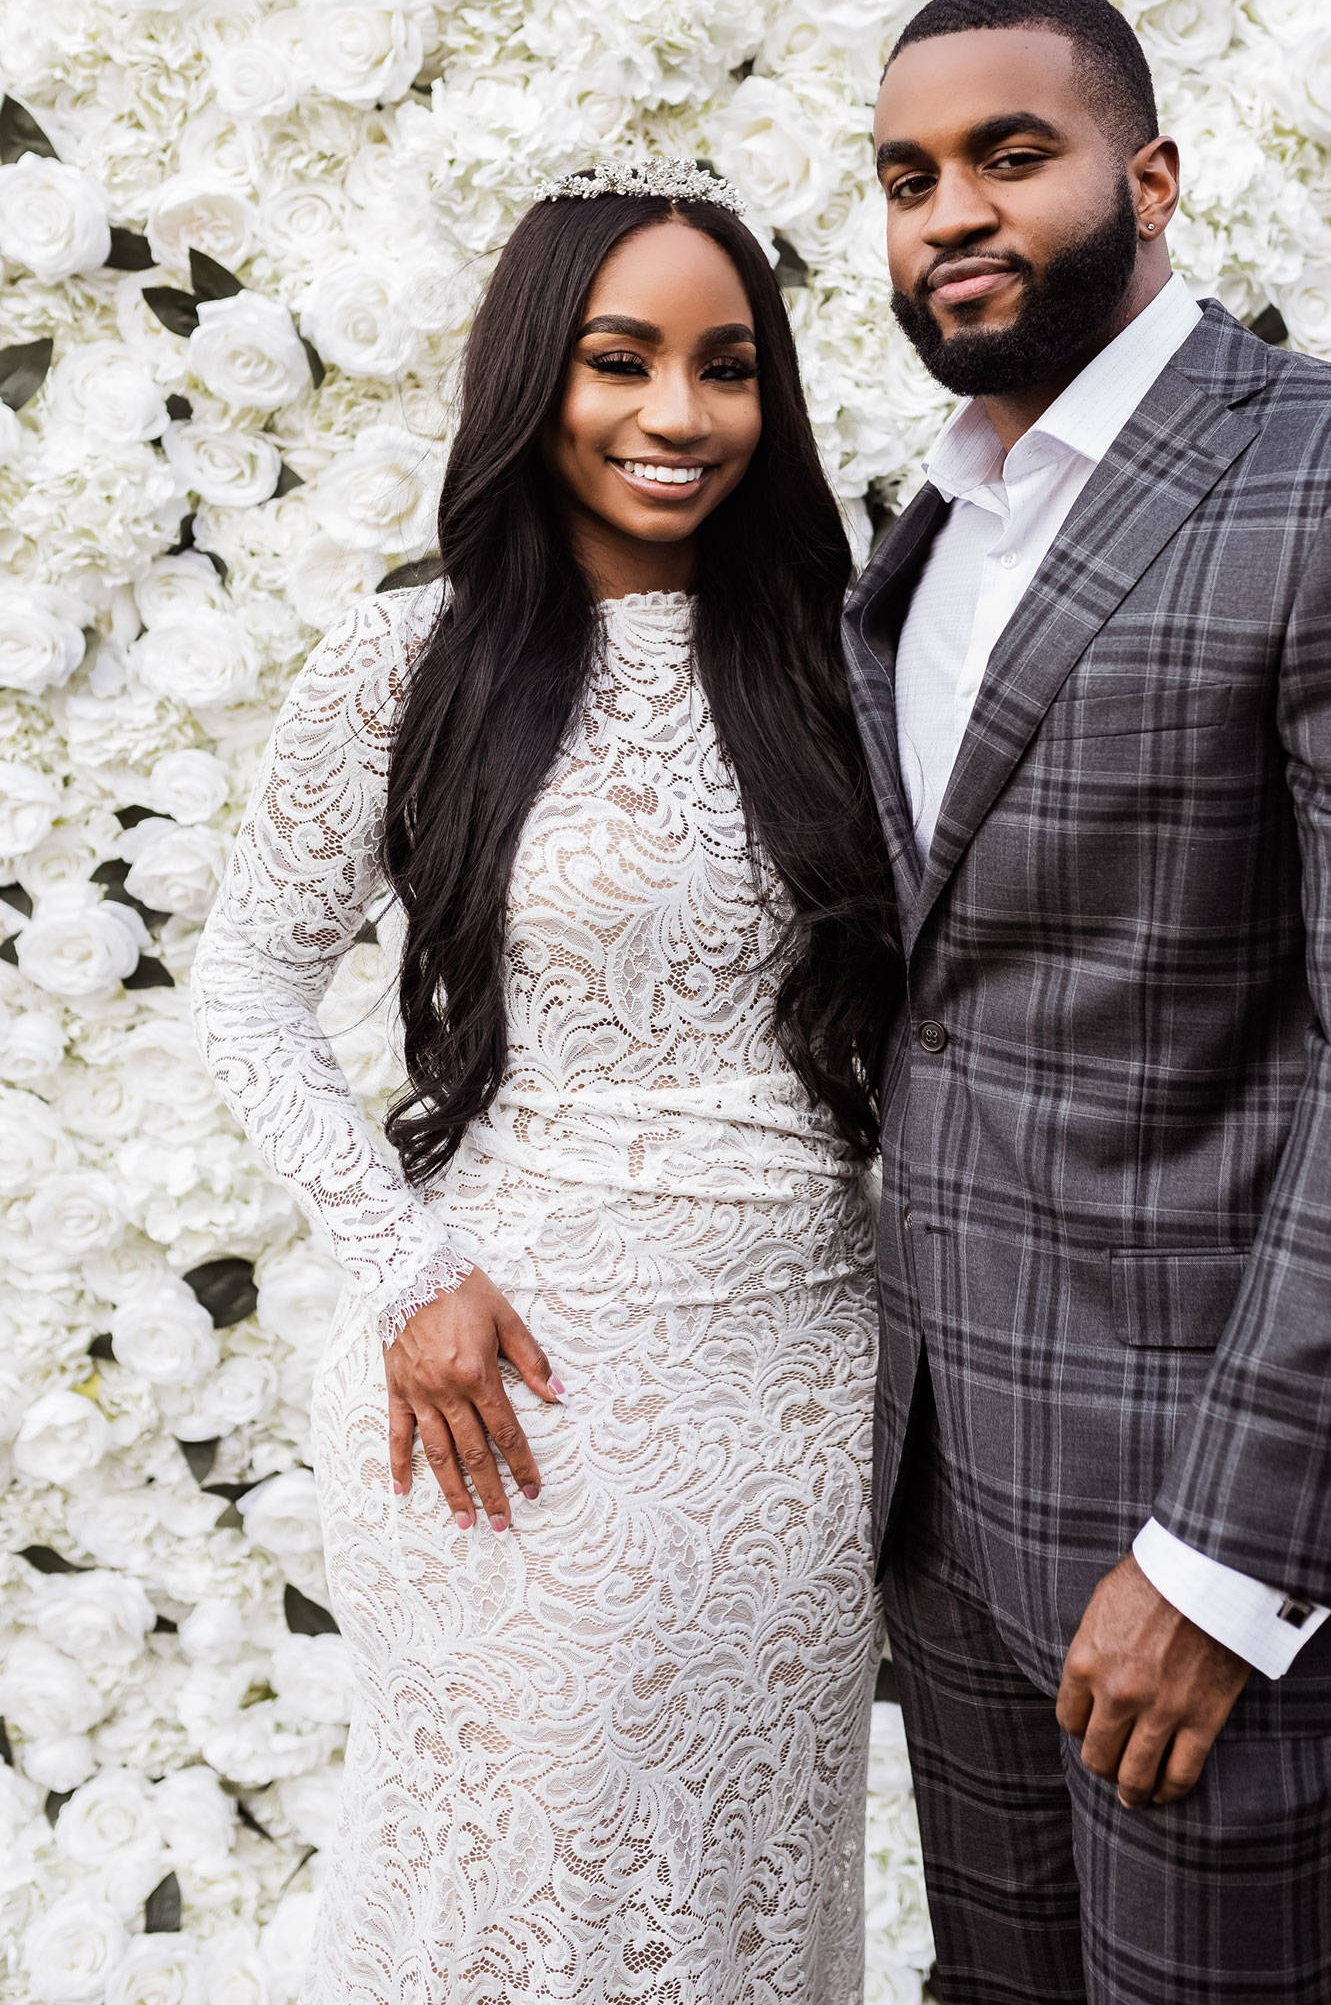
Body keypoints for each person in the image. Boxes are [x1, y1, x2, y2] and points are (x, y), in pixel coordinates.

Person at [843, 0, 1331, 2005]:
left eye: (1009, 154)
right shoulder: (926, 531)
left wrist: (1217, 1566)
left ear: (1145, 176)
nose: (948, 213)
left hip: (1200, 1533)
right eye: (904, 177)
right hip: (957, 1496)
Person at [191, 161, 900, 2005]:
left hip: (802, 1386)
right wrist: (406, 1274)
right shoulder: (409, 659)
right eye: (620, 359)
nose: (679, 414)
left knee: (746, 1881)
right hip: (517, 1379)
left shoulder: (847, 655)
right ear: (536, 378)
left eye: (727, 366)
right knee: (534, 1883)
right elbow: (248, 982)